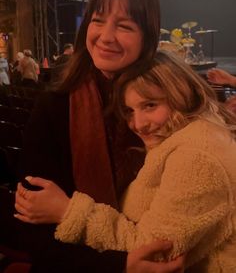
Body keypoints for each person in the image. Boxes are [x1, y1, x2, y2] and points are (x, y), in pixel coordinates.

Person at [1, 0, 184, 272]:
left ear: (147, 37)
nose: (106, 36)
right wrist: (119, 266)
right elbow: (31, 230)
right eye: (98, 20)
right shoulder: (54, 107)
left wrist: (65, 211)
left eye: (124, 26)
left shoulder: (170, 107)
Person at [15, 50, 236, 272]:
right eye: (129, 111)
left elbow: (153, 252)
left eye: (150, 105)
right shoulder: (183, 138)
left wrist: (67, 212)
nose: (138, 124)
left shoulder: (197, 157)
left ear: (181, 93)